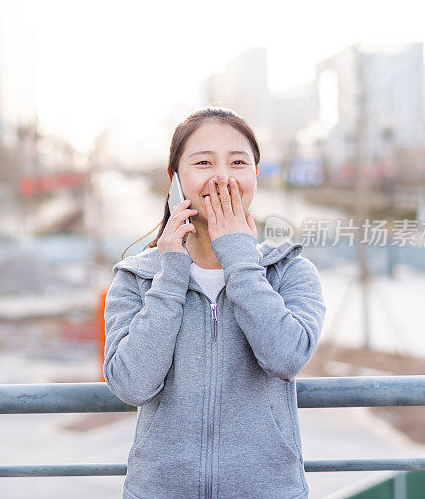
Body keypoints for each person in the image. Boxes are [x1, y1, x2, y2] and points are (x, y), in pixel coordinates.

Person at [103, 106, 326, 499]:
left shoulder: (290, 271)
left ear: (255, 176)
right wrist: (171, 273)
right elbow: (131, 385)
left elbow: (286, 357)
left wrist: (240, 258)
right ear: (174, 180)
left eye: (238, 162)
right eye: (203, 162)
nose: (222, 177)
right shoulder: (136, 278)